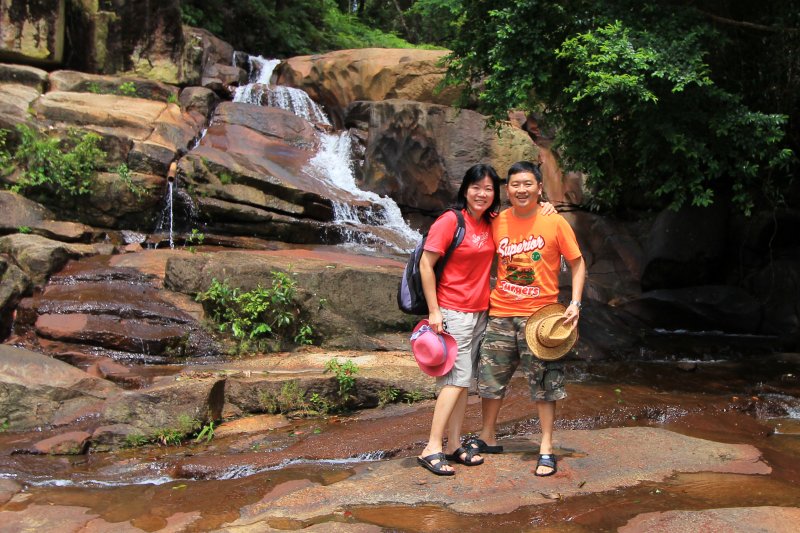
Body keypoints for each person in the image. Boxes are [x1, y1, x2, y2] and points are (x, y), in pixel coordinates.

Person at [416, 163, 556, 476]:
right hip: (452, 310)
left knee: (464, 384)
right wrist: (435, 310)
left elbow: (523, 214)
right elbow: (426, 265)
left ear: (496, 195)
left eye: (488, 189)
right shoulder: (450, 221)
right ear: (465, 189)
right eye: (476, 187)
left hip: (481, 311)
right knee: (455, 380)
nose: (482, 194)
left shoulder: (490, 221)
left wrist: (545, 206)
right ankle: (431, 447)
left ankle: (453, 444)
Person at [471, 161, 586, 477]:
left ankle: (546, 447)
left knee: (545, 385)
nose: (521, 190)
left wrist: (575, 303)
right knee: (489, 381)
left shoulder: (554, 222)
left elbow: (577, 264)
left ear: (538, 187)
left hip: (541, 319)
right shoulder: (497, 221)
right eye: (514, 184)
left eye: (527, 184)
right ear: (507, 190)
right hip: (500, 314)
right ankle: (487, 437)